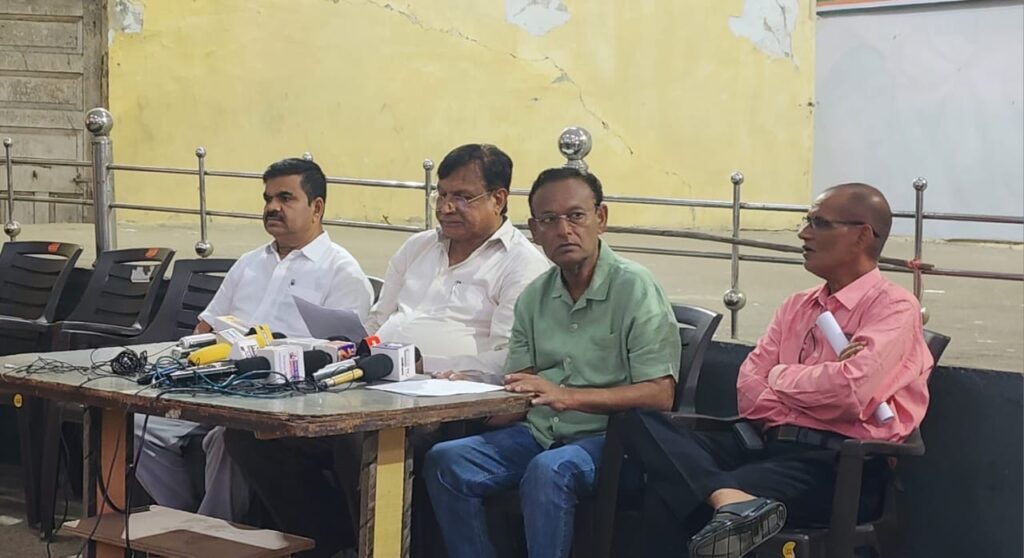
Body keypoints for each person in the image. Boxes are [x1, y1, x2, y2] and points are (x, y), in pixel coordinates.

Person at [223, 144, 550, 557]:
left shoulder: (522, 264)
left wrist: (426, 366)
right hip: (374, 383)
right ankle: (331, 543)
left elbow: (506, 358)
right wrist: (348, 344)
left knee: (359, 438)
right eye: (441, 195)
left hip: (447, 403)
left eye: (462, 197)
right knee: (252, 434)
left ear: (498, 199)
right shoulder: (418, 248)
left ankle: (376, 549)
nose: (446, 207)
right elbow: (377, 322)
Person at [622, 183, 934, 558]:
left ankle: (727, 500)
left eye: (819, 223)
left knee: (675, 496)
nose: (804, 233)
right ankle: (729, 499)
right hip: (766, 445)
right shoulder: (797, 306)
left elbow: (849, 392)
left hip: (836, 464)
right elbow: (749, 393)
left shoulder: (894, 307)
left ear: (862, 236)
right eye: (807, 221)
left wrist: (780, 376)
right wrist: (821, 383)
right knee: (636, 418)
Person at [422, 167, 681, 558]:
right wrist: (468, 393)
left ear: (601, 218)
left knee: (549, 470)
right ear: (534, 230)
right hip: (540, 433)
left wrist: (567, 396)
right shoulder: (534, 297)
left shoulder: (635, 287)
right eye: (548, 220)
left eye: (575, 216)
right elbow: (522, 386)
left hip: (615, 443)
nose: (563, 230)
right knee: (446, 461)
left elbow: (660, 394)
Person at [134, 158, 373, 522]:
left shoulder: (342, 273)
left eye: (285, 198)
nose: (272, 207)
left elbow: (340, 356)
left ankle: (213, 536)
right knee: (137, 426)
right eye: (268, 198)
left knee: (228, 438)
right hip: (215, 383)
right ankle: (182, 520)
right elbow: (205, 327)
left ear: (317, 207)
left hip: (278, 397)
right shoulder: (249, 262)